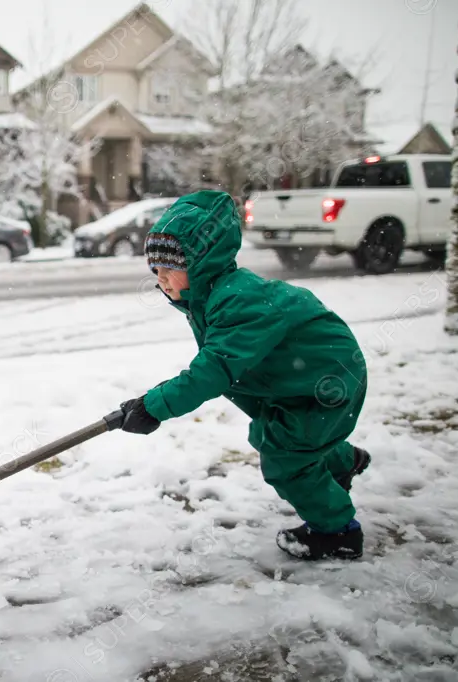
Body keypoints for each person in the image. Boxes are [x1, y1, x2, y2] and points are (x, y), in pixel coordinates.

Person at [116, 190, 371, 561]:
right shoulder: (210, 296)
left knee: (285, 459)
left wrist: (154, 406)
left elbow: (214, 369)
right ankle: (343, 461)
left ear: (202, 262)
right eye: (156, 269)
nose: (162, 279)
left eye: (172, 267)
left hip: (326, 384)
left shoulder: (238, 301)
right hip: (301, 381)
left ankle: (338, 532)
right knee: (275, 433)